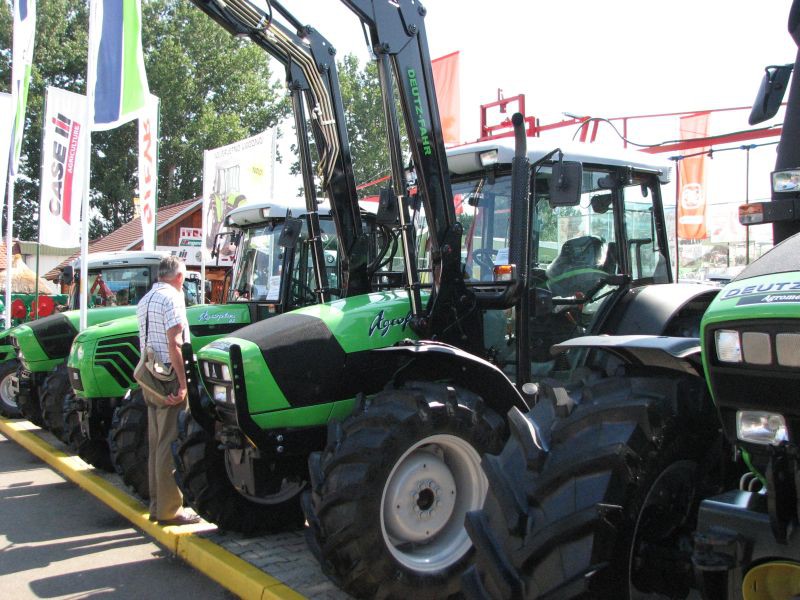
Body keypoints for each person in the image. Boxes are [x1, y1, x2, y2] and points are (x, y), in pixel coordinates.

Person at [136, 255, 200, 526]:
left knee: (155, 443)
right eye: (183, 276)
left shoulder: (145, 300)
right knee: (169, 443)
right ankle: (170, 510)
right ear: (178, 277)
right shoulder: (172, 298)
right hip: (169, 378)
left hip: (149, 376)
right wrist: (184, 384)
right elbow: (175, 343)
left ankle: (156, 504)